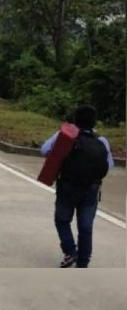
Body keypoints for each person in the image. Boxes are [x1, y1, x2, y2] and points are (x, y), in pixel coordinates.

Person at [41, 105, 114, 268]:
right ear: (94, 122)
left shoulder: (66, 136)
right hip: (92, 189)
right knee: (86, 227)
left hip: (68, 186)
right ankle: (83, 263)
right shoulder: (101, 141)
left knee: (62, 219)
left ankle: (70, 251)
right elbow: (109, 164)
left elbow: (44, 150)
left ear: (75, 120)